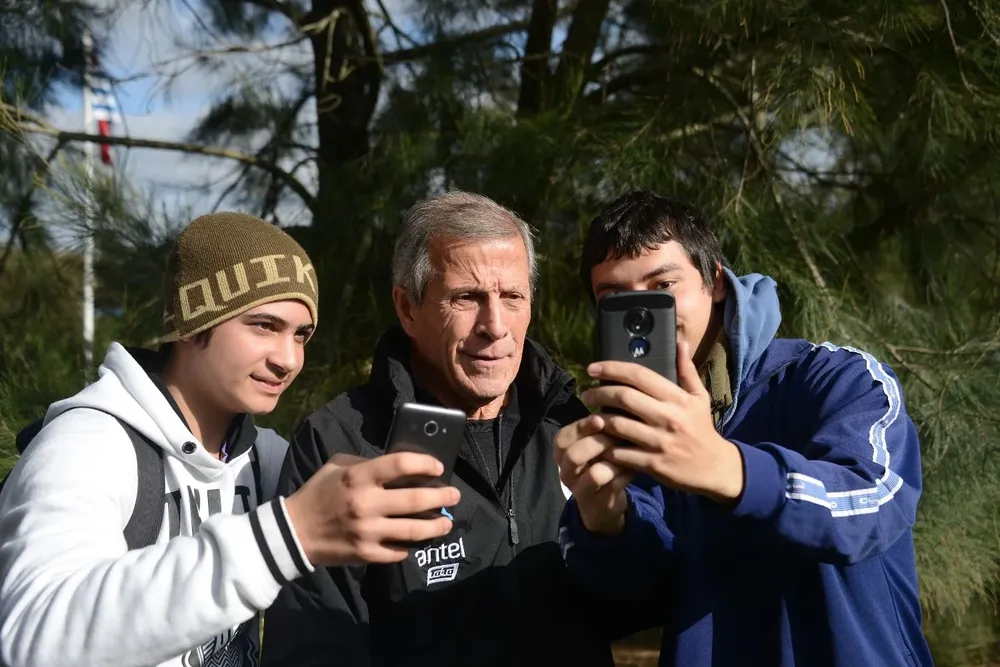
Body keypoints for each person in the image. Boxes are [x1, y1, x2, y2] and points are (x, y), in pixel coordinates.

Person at [0, 212, 460, 667]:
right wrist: (287, 534)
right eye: (264, 326)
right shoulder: (87, 445)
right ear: (194, 321)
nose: (288, 359)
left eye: (302, 335)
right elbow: (30, 637)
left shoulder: (269, 459)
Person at [555, 190, 934, 667]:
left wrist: (727, 469)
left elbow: (871, 503)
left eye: (663, 285)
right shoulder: (634, 434)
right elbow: (626, 604)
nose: (643, 314)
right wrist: (603, 522)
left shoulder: (837, 379)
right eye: (614, 299)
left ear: (715, 282)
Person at [261, 191, 632, 667]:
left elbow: (631, 608)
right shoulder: (340, 444)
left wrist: (612, 533)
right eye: (467, 298)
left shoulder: (572, 427)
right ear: (408, 308)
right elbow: (312, 649)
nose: (495, 325)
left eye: (512, 297)